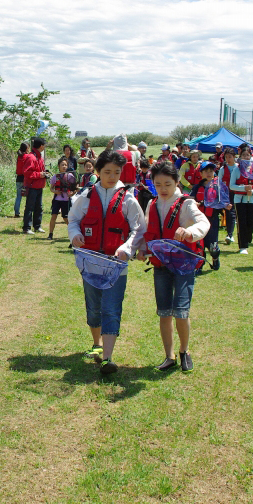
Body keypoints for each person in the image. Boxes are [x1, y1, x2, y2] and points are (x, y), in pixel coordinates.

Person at [68, 150, 146, 375]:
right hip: (90, 262)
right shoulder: (86, 196)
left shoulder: (128, 198)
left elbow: (138, 228)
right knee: (93, 307)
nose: (112, 176)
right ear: (98, 171)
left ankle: (107, 357)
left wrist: (127, 247)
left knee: (111, 309)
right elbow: (73, 220)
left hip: (116, 265)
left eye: (117, 172)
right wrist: (74, 234)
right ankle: (96, 344)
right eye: (107, 172)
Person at [141, 161, 210, 372]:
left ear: (177, 182)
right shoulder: (152, 204)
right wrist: (142, 249)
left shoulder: (186, 204)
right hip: (161, 266)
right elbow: (146, 229)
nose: (163, 189)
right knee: (164, 312)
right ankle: (169, 356)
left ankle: (184, 351)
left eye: (167, 184)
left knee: (181, 311)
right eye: (158, 184)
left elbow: (203, 223)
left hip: (183, 266)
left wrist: (191, 233)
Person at [229, 145, 253, 255]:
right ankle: (243, 246)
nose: (245, 157)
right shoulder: (236, 169)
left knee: (252, 222)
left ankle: (248, 238)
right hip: (240, 200)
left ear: (251, 156)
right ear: (240, 157)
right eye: (243, 155)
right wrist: (243, 188)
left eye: (247, 155)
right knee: (242, 223)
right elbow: (231, 185)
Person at [191, 161, 222, 270]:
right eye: (206, 171)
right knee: (200, 244)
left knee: (213, 245)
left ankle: (215, 258)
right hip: (199, 220)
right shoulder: (196, 187)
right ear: (201, 173)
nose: (209, 173)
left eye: (211, 171)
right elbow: (190, 200)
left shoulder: (217, 187)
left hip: (212, 220)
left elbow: (222, 201)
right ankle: (200, 265)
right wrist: (194, 203)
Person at [22, 137, 51, 234]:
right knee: (30, 207)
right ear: (41, 146)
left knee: (39, 207)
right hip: (32, 186)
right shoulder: (31, 157)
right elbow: (27, 173)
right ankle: (27, 227)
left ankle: (37, 226)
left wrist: (45, 173)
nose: (44, 147)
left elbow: (40, 170)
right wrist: (40, 174)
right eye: (44, 145)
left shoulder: (39, 157)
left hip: (39, 186)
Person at [48, 156, 76, 239]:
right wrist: (55, 191)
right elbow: (51, 188)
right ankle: (50, 234)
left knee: (66, 218)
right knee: (53, 216)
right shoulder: (55, 177)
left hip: (66, 200)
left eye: (65, 165)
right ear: (58, 166)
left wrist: (72, 193)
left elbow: (74, 188)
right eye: (62, 165)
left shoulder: (70, 176)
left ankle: (73, 233)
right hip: (57, 200)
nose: (64, 167)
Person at [220, 148, 238, 245]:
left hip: (237, 193)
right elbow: (218, 182)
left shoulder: (238, 167)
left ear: (234, 157)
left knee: (234, 214)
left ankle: (231, 234)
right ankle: (230, 234)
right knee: (229, 213)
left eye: (230, 157)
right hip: (226, 194)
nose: (228, 159)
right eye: (226, 157)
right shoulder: (223, 169)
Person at [14, 142, 28, 218]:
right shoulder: (26, 156)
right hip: (25, 178)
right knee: (28, 195)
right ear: (26, 149)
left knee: (18, 196)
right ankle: (27, 211)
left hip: (18, 178)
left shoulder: (19, 157)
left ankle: (16, 212)